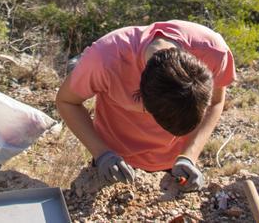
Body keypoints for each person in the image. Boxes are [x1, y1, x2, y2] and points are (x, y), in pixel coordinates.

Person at [55, 20, 235, 193]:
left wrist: (189, 156)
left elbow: (215, 103)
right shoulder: (106, 58)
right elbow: (67, 101)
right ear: (141, 95)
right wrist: (102, 154)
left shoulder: (213, 52)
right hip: (116, 163)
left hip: (175, 166)